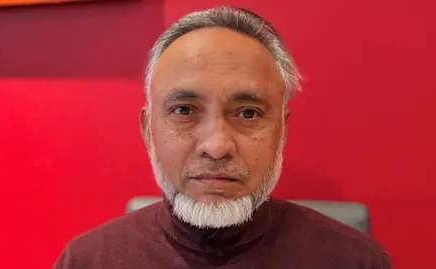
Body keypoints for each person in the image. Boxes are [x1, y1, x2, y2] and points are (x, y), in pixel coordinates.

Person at [53, 6, 394, 269]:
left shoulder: (353, 261)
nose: (216, 146)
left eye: (248, 113)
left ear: (282, 129)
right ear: (148, 130)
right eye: (184, 110)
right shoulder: (90, 261)